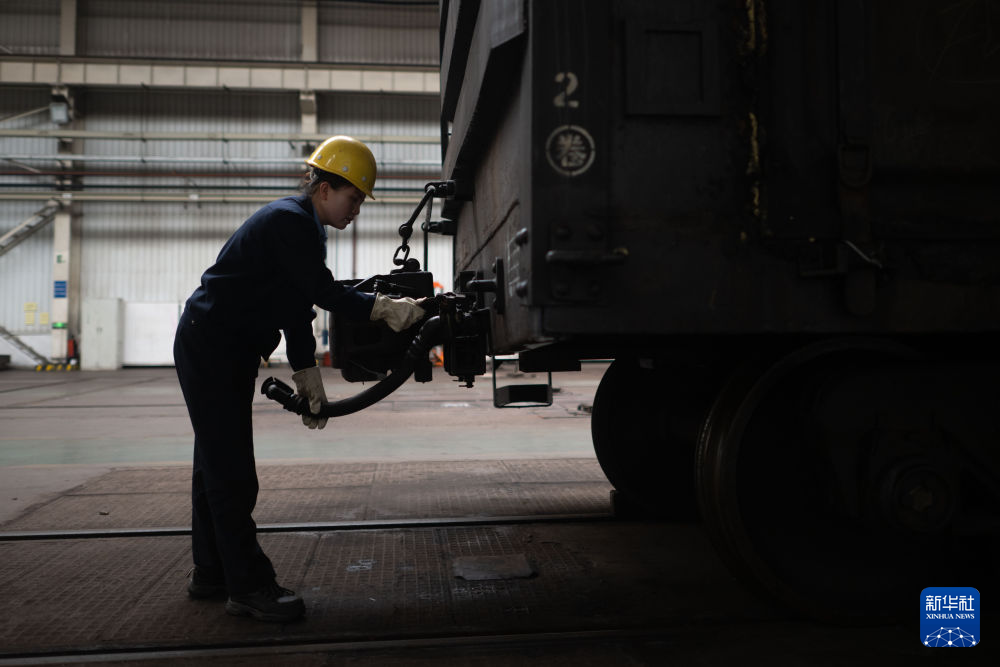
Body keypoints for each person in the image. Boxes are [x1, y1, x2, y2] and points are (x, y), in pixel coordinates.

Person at [173, 135, 425, 622]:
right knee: (231, 472)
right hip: (213, 347)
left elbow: (295, 308)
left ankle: (211, 571)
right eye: (353, 198)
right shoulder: (290, 221)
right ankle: (248, 586)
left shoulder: (301, 226)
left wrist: (307, 374)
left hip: (217, 345)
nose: (356, 211)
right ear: (325, 189)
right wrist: (383, 308)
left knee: (214, 463)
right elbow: (321, 292)